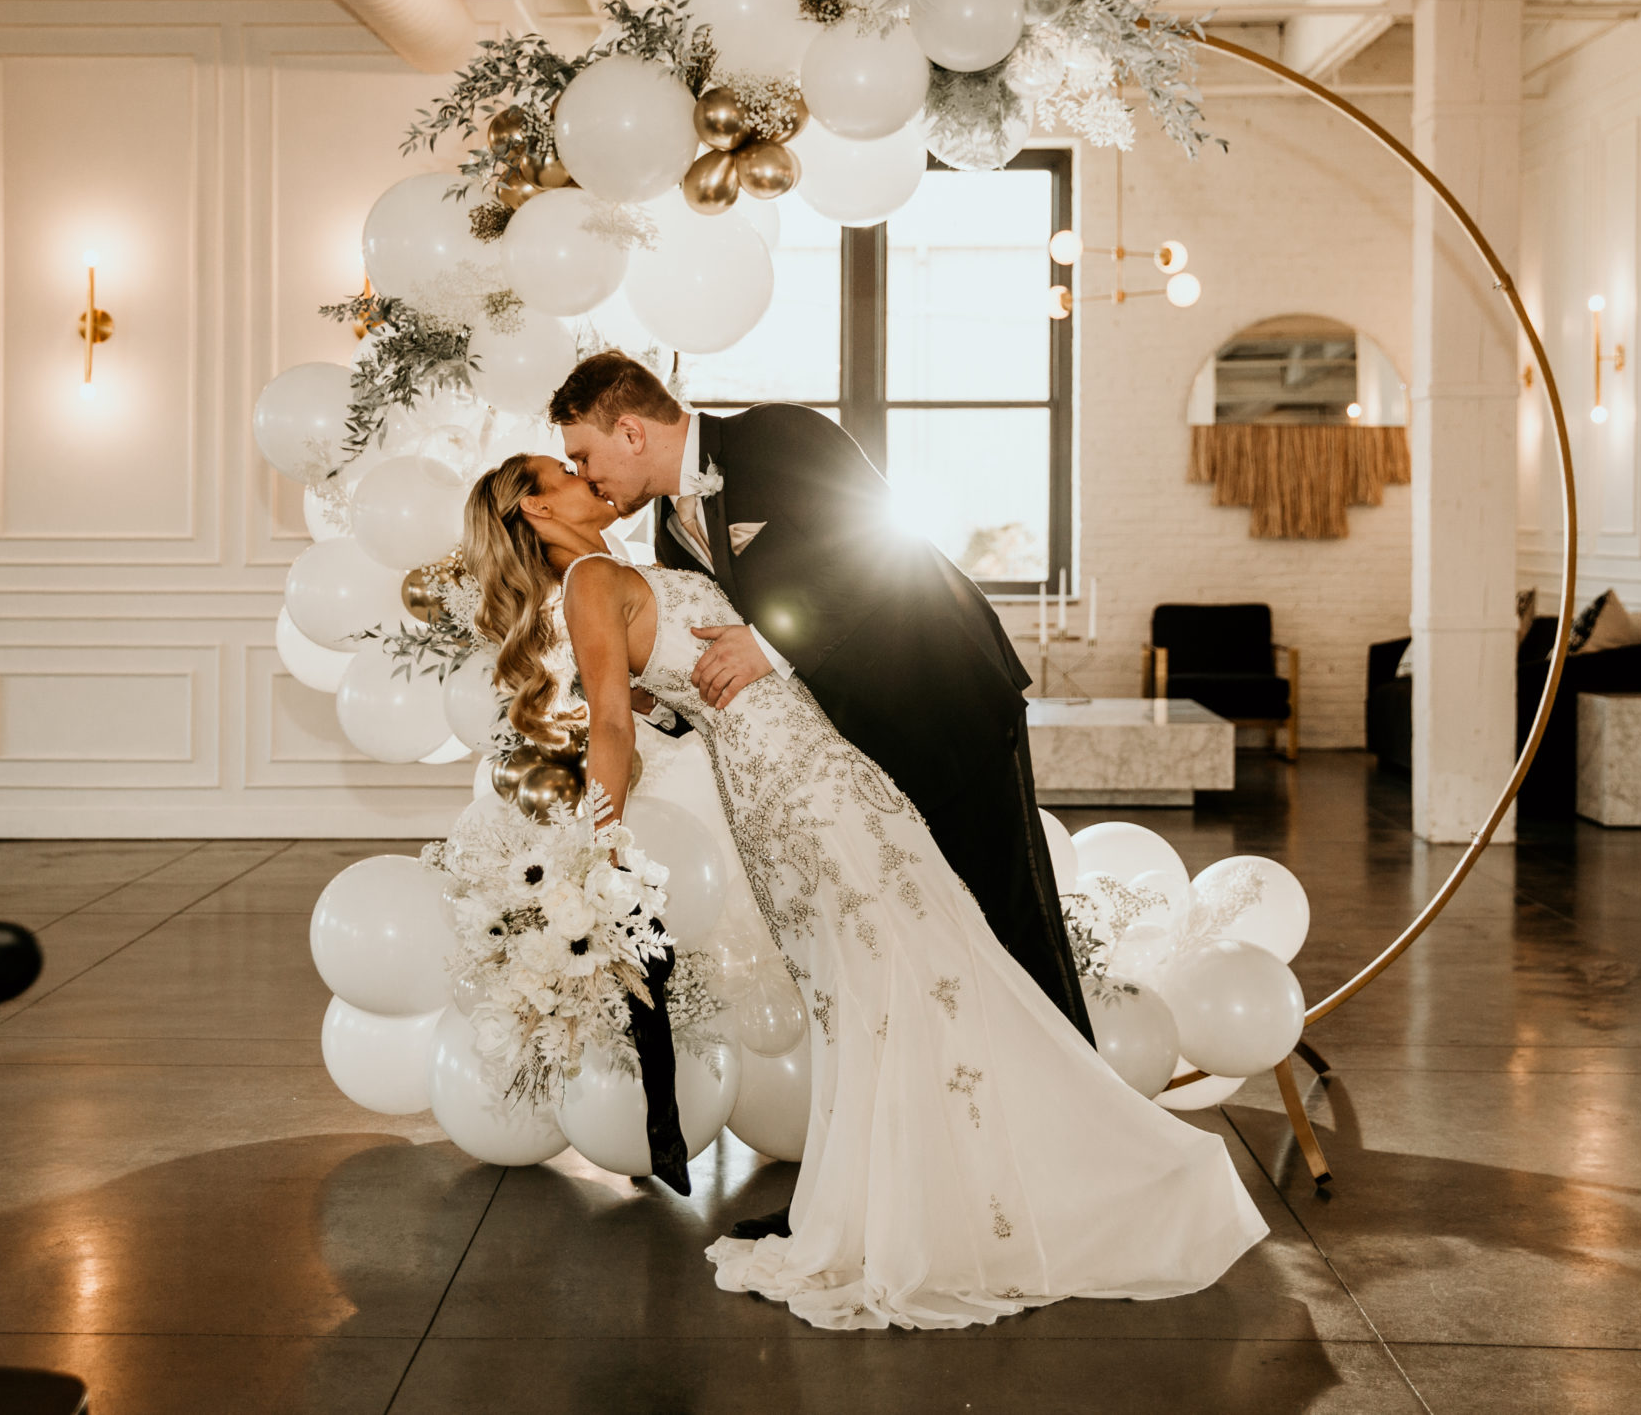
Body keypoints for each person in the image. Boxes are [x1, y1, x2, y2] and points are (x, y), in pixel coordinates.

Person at [462, 452, 1267, 1331]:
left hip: (813, 775)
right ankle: (959, 1203)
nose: (585, 474)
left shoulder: (615, 570)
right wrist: (599, 849)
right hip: (801, 791)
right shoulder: (588, 581)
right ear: (534, 510)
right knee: (912, 970)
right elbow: (613, 726)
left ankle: (949, 1197)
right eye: (562, 470)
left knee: (916, 970)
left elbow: (665, 698)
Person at [544, 353, 1091, 1054]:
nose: (585, 475)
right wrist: (651, 699)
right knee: (946, 934)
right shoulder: (670, 534)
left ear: (630, 432)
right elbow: (713, 660)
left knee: (1015, 919)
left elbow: (878, 546)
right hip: (859, 751)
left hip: (945, 700)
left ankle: (1084, 1093)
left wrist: (769, 640)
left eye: (584, 456)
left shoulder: (779, 435)